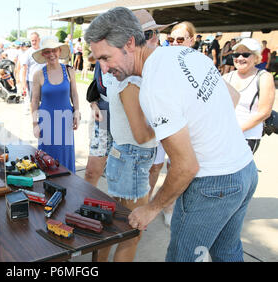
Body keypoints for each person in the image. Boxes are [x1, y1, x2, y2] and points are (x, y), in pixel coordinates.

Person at [86, 7, 257, 262]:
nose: (104, 67)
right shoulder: (185, 53)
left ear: (130, 43)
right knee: (227, 252)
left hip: (212, 185)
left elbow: (186, 166)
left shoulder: (153, 87)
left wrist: (151, 209)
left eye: (106, 57)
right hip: (244, 170)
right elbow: (232, 97)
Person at [93, 9, 176, 262]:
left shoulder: (125, 74)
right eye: (151, 34)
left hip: (127, 156)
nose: (156, 40)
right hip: (133, 157)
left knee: (116, 228)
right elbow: (141, 135)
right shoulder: (131, 80)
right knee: (131, 233)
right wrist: (168, 123)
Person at [149, 20, 198, 227]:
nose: (175, 43)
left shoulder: (199, 62)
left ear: (192, 40)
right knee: (155, 166)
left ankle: (169, 206)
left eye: (180, 39)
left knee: (175, 166)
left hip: (187, 125)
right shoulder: (162, 60)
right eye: (170, 40)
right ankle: (147, 202)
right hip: (163, 123)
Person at [31, 36, 80, 173]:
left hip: (66, 120)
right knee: (47, 158)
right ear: (43, 54)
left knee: (65, 156)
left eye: (54, 50)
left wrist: (77, 112)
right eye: (47, 51)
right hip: (46, 122)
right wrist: (35, 124)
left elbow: (74, 94)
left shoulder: (69, 71)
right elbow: (34, 100)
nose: (51, 54)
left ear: (59, 51)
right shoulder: (38, 75)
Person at [223, 38, 276, 154]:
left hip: (247, 137)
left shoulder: (264, 78)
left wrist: (236, 130)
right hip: (223, 135)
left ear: (256, 57)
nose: (240, 58)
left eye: (246, 54)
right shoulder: (227, 77)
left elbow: (264, 112)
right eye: (236, 54)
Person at [21, 32, 45, 111]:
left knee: (45, 99)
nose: (34, 42)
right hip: (32, 80)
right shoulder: (28, 52)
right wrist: (23, 83)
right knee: (34, 101)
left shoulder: (44, 51)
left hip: (44, 80)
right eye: (32, 41)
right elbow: (24, 68)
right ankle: (34, 118)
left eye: (35, 40)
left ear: (39, 40)